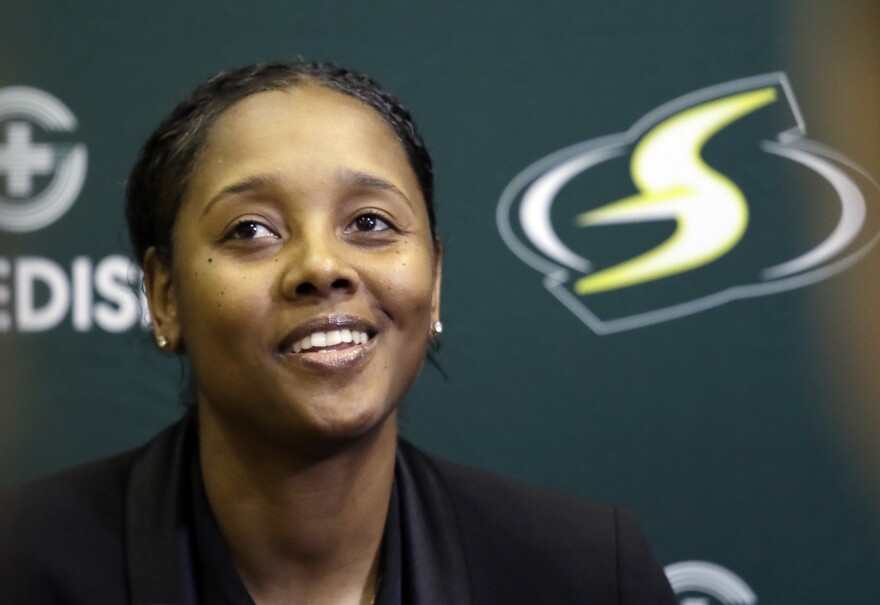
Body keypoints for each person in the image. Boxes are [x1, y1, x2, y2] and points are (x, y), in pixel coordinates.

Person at [0, 61, 677, 604]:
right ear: (164, 296)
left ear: (434, 277)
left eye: (371, 223)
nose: (323, 267)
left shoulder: (585, 572)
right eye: (251, 230)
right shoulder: (24, 563)